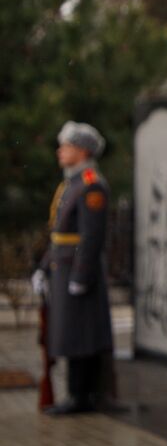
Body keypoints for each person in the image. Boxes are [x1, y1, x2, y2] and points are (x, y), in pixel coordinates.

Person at [31, 121, 114, 415]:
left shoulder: (91, 184)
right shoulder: (71, 183)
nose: (60, 152)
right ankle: (76, 394)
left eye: (66, 147)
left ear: (82, 151)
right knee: (68, 333)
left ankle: (82, 395)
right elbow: (58, 233)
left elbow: (91, 237)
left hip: (78, 271)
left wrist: (80, 275)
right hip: (62, 268)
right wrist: (44, 268)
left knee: (81, 335)